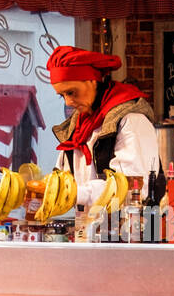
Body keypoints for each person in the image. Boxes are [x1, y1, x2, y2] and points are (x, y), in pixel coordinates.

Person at [46, 45, 160, 206]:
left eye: (71, 92)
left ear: (92, 81)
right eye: (62, 96)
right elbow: (64, 177)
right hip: (89, 227)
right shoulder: (77, 126)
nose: (68, 102)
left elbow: (133, 186)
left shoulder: (131, 120)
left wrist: (77, 193)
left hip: (134, 228)